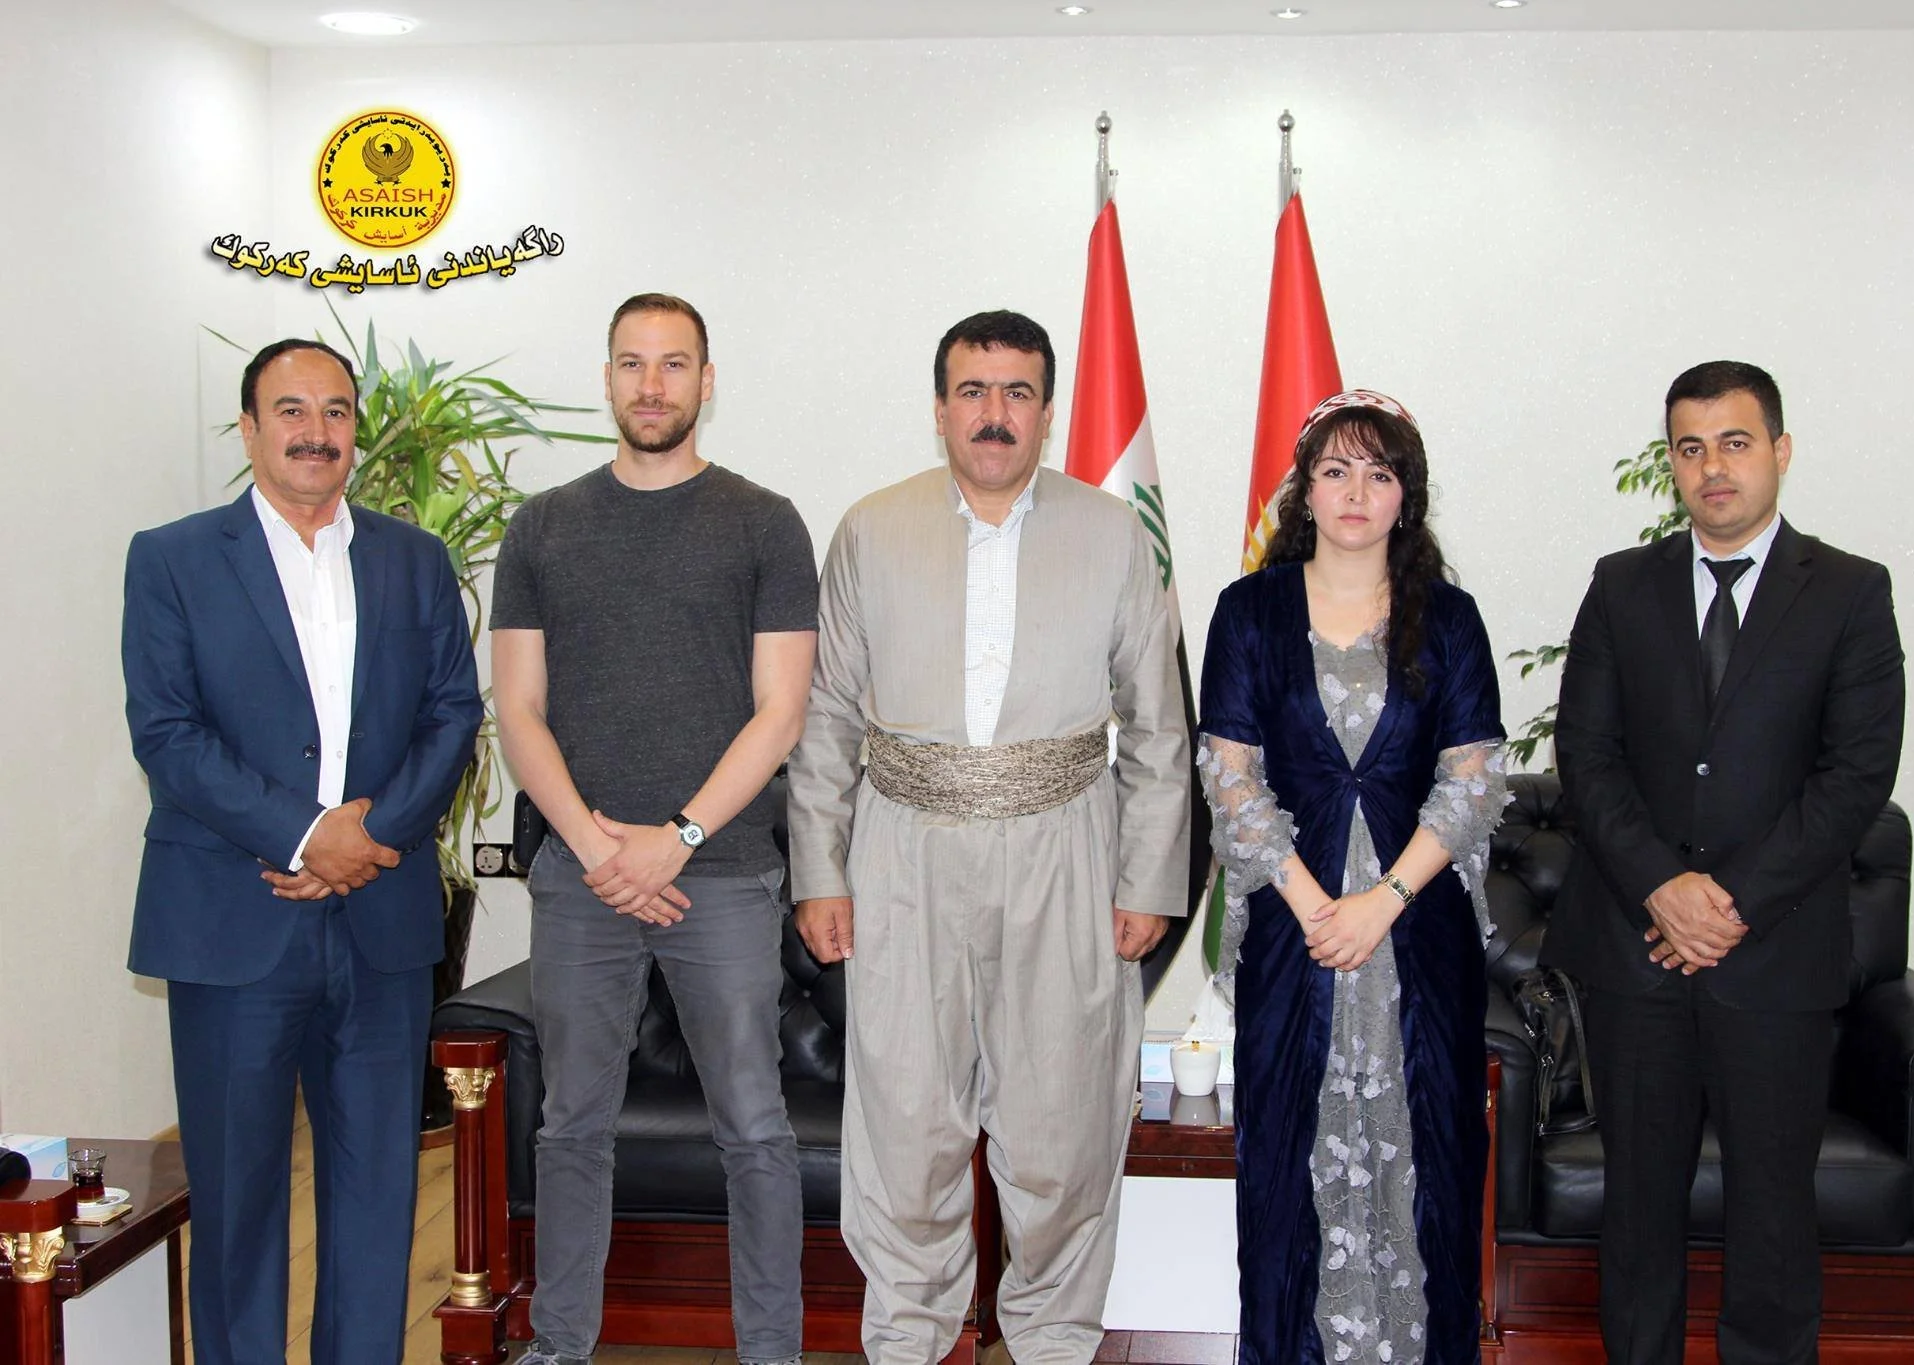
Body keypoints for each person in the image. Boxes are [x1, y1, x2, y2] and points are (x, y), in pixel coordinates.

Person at [787, 309, 1189, 1365]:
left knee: (1059, 1131)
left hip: (1066, 851)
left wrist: (1148, 876)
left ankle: (1053, 1338)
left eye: (1016, 393)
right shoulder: (871, 529)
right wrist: (818, 871)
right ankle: (910, 1341)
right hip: (901, 852)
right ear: (938, 410)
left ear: (1047, 413)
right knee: (907, 1127)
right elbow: (826, 712)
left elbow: (1156, 722)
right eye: (972, 391)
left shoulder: (1111, 535)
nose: (993, 414)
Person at [123, 338, 483, 1364]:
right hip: (234, 922)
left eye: (334, 411)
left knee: (376, 1196)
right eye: (290, 410)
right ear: (249, 429)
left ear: (355, 431)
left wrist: (365, 838)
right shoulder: (174, 558)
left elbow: (452, 714)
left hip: (379, 920)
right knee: (236, 1203)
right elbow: (167, 732)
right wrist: (305, 831)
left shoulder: (414, 559)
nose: (315, 431)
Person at [1542, 361, 1906, 1365]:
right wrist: (1662, 886)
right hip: (1634, 952)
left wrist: (1728, 901)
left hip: (1774, 956)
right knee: (1639, 1207)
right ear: (1670, 463)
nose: (1713, 468)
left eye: (1734, 443)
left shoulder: (1847, 592)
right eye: (1690, 447)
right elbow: (1585, 754)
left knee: (1772, 1210)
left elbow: (1853, 775)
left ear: (1778, 453)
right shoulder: (1622, 585)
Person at [490, 294, 818, 1365]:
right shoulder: (543, 526)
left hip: (717, 873)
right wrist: (593, 845)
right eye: (631, 364)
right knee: (571, 1128)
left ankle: (768, 1350)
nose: (651, 385)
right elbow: (518, 710)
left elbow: (782, 711)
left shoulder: (764, 522)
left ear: (705, 382)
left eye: (673, 365)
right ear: (607, 379)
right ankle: (560, 1347)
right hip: (580, 878)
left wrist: (671, 837)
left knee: (755, 1130)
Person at [1198, 390, 1509, 1365]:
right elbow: (1228, 776)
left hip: (1417, 936)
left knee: (1430, 1169)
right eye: (1334, 469)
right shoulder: (1246, 612)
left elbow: (1470, 782)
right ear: (1304, 489)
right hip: (1294, 939)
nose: (1354, 491)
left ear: (1404, 498)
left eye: (1378, 473)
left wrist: (1382, 902)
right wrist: (1311, 905)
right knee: (1287, 1173)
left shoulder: (1448, 620)